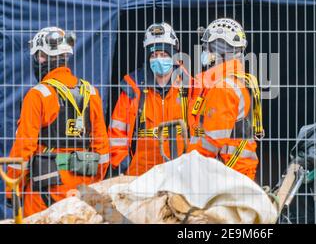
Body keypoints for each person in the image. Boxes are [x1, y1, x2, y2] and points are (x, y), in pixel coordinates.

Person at [5, 27, 110, 217]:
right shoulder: (91, 93)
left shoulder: (38, 95)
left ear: (42, 58)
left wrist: (12, 189)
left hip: (43, 193)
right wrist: (91, 186)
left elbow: (23, 150)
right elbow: (102, 150)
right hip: (81, 193)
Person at [108, 22, 196, 176]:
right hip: (139, 174)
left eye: (163, 54)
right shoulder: (133, 87)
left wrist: (195, 165)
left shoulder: (190, 87)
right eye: (154, 55)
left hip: (181, 171)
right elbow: (117, 133)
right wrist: (124, 165)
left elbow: (199, 132)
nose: (158, 59)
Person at [188, 18, 264, 180]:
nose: (204, 52)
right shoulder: (239, 80)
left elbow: (212, 140)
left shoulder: (223, 87)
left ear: (218, 50)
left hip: (226, 176)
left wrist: (189, 167)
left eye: (207, 47)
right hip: (236, 172)